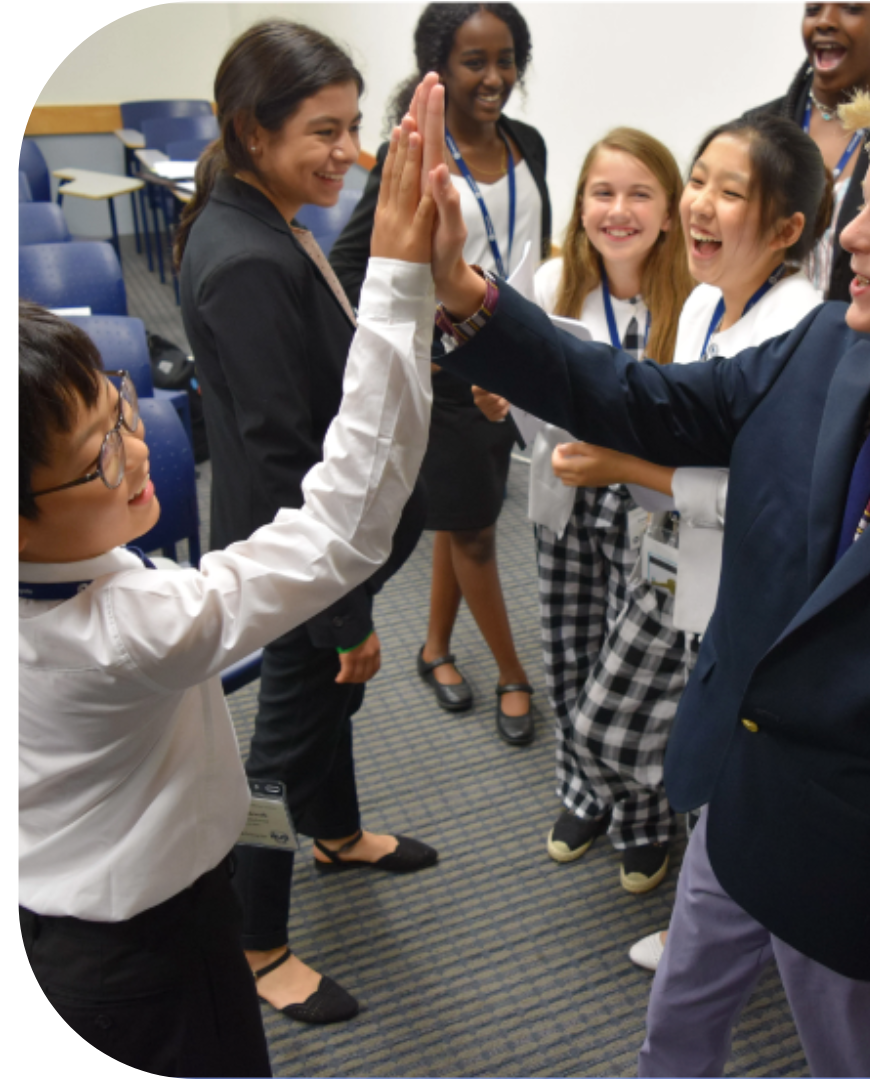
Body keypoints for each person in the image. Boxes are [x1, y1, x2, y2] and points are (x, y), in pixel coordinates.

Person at [424, 75, 870, 1078]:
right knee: (674, 1035)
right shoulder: (822, 352)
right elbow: (646, 401)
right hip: (730, 805)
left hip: (856, 893)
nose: (849, 238)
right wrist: (469, 300)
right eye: (860, 207)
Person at [18, 78, 442, 1074]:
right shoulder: (130, 626)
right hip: (143, 949)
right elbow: (343, 521)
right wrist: (405, 279)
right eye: (97, 455)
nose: (139, 447)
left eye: (123, 406)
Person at [175, 21, 437, 1025]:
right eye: (323, 131)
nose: (348, 150)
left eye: (355, 127)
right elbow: (288, 462)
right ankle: (256, 941)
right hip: (293, 566)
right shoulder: (246, 257)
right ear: (251, 129)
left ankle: (337, 835)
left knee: (327, 710)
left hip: (312, 562)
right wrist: (345, 613)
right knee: (283, 741)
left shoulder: (264, 215)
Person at [545, 113, 828, 925]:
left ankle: (720, 910)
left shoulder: (799, 331)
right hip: (674, 558)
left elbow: (761, 501)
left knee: (672, 748)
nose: (698, 204)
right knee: (633, 733)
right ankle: (706, 904)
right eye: (697, 179)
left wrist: (624, 468)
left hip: (736, 587)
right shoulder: (707, 298)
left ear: (787, 228)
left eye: (727, 191)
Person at [475, 129, 694, 890]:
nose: (619, 210)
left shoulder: (693, 295)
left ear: (670, 211)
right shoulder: (554, 279)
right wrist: (506, 400)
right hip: (566, 498)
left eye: (640, 193)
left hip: (652, 514)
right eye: (602, 192)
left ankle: (641, 817)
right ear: (580, 206)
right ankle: (582, 793)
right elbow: (537, 414)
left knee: (626, 673)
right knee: (568, 652)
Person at [331, 1, 550, 746]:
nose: (494, 77)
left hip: (513, 360)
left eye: (506, 58)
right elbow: (348, 264)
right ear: (440, 68)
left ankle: (433, 648)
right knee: (480, 531)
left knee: (462, 515)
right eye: (474, 62)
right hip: (449, 372)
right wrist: (410, 346)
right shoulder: (418, 155)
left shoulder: (531, 145)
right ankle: (515, 674)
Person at [746, 1, 870, 301]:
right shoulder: (754, 131)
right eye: (813, 9)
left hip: (865, 342)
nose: (824, 21)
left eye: (851, 8)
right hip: (761, 343)